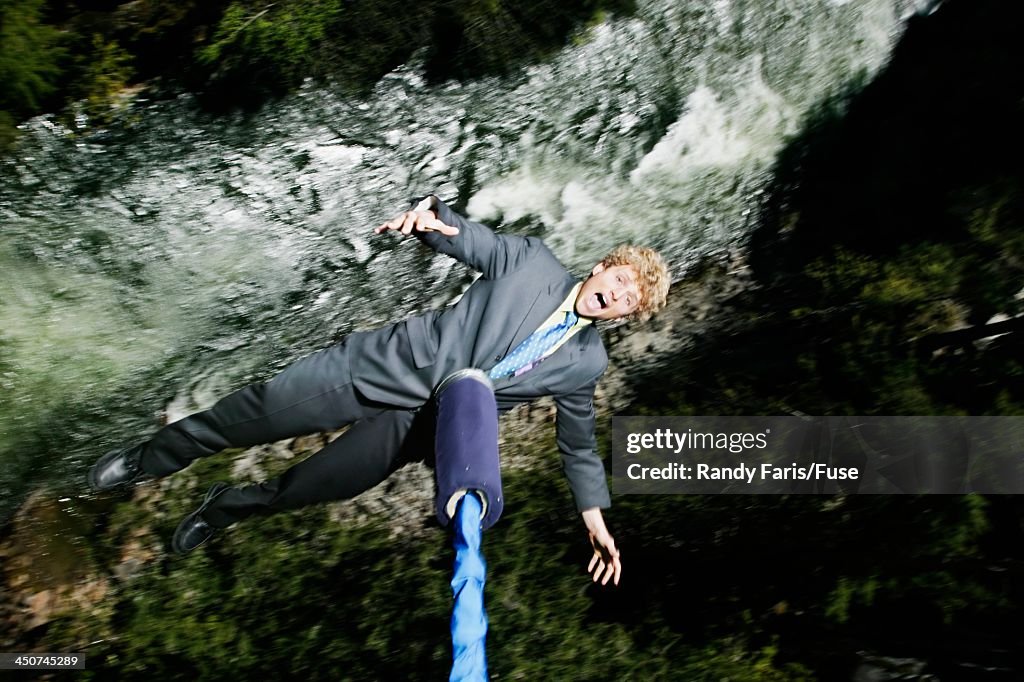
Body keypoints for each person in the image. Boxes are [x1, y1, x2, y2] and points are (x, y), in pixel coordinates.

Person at [88, 195, 670, 586]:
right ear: (600, 266)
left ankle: (225, 508)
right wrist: (434, 220)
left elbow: (578, 445)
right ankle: (148, 460)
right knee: (252, 415)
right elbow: (472, 240)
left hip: (415, 431)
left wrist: (594, 521)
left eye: (628, 301)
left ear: (623, 317)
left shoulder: (585, 362)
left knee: (308, 487)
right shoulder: (532, 262)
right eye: (618, 281)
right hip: (383, 368)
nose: (616, 296)